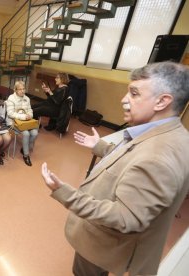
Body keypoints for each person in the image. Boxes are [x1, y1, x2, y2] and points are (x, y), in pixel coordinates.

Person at [41, 61, 189, 276]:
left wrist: (65, 193)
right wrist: (101, 147)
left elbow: (124, 218)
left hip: (105, 248)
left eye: (134, 93)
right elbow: (135, 159)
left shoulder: (158, 157)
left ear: (162, 101)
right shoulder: (172, 134)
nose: (124, 99)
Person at [6, 81, 38, 166]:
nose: (22, 91)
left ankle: (24, 148)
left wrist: (30, 115)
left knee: (35, 133)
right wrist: (23, 116)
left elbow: (30, 110)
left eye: (23, 89)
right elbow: (10, 113)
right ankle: (26, 155)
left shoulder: (27, 98)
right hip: (13, 122)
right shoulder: (11, 98)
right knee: (26, 134)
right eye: (20, 89)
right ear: (15, 90)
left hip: (25, 122)